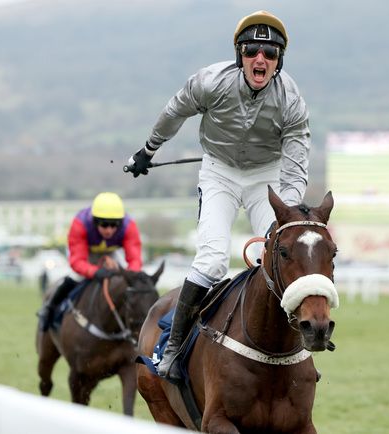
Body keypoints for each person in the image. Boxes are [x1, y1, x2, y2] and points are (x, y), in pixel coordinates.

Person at [125, 10, 311, 380]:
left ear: (278, 61)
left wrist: (288, 211)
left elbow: (296, 163)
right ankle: (174, 347)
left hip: (266, 178)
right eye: (252, 50)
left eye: (270, 53)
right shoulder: (209, 82)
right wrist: (148, 150)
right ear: (240, 54)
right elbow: (174, 112)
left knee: (272, 258)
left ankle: (295, 354)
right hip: (219, 173)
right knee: (211, 261)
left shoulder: (291, 100)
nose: (261, 59)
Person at [38, 192, 143, 331]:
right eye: (104, 224)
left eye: (114, 225)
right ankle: (49, 311)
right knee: (75, 278)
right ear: (94, 221)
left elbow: (135, 260)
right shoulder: (80, 224)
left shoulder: (129, 226)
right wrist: (95, 272)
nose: (109, 230)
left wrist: (129, 277)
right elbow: (77, 260)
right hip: (84, 252)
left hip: (111, 253)